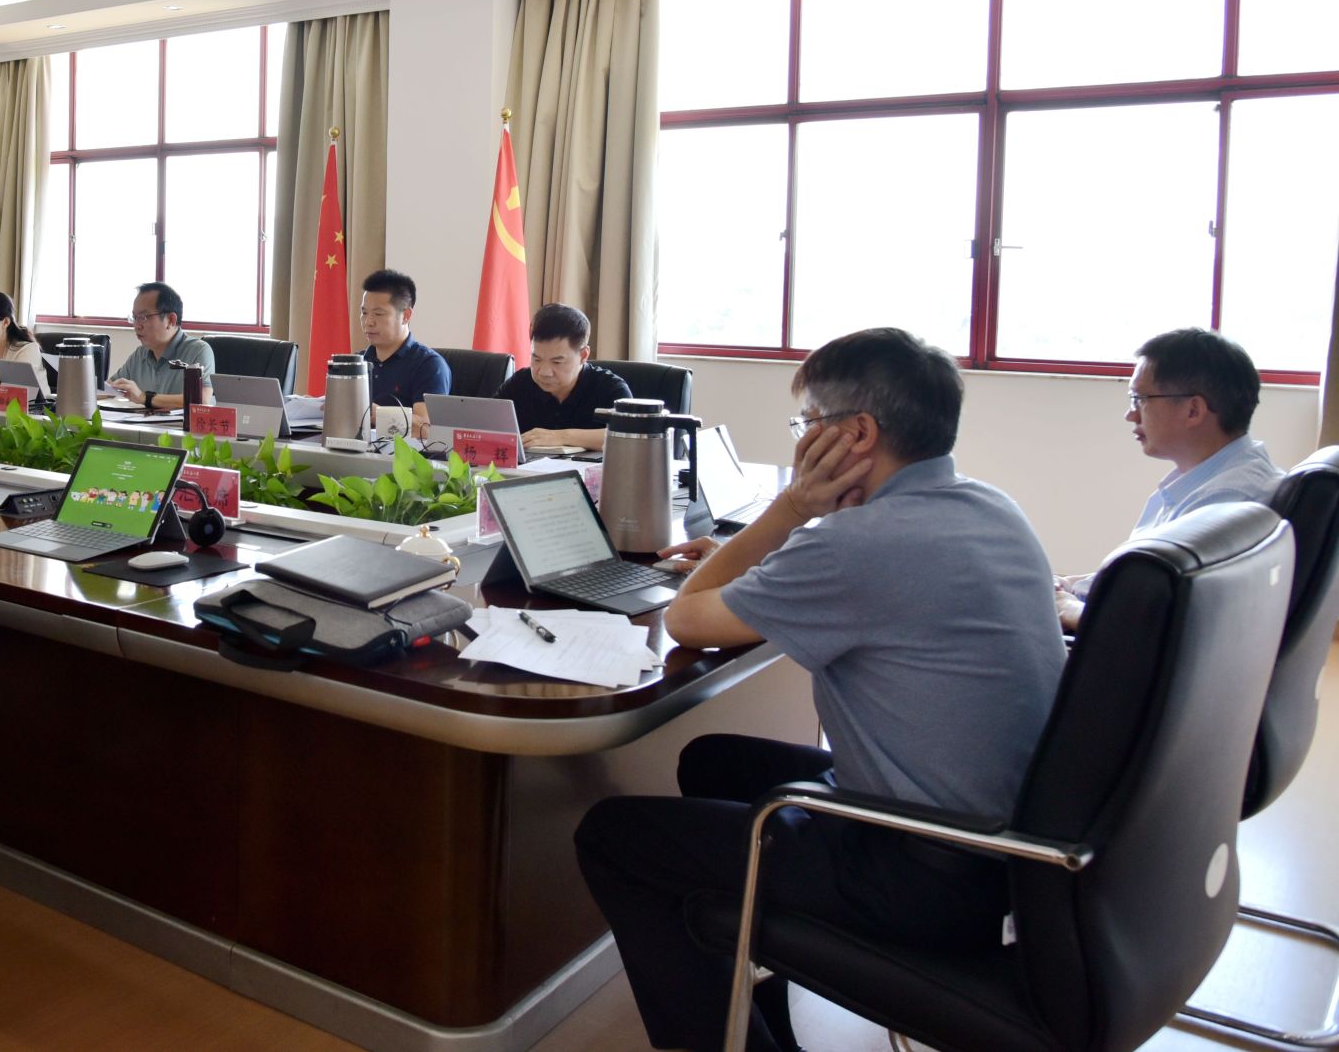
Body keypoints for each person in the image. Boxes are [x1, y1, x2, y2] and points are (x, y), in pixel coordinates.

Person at [575, 327, 1064, 1052]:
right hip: (1009, 852)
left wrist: (791, 509)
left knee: (613, 837)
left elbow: (686, 618)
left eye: (807, 424)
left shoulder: (858, 543)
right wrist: (760, 554)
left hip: (925, 872)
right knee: (714, 762)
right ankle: (762, 1014)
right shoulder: (993, 506)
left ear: (854, 434)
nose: (801, 439)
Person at [1056, 326, 1283, 629]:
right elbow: (1149, 585)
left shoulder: (1225, 504)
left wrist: (1067, 608)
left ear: (1193, 410)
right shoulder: (1217, 480)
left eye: (1140, 399)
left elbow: (1143, 623)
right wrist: (1073, 586)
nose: (1131, 415)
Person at [494, 303, 629, 452]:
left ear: (583, 355)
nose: (544, 372)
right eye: (537, 359)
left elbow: (628, 437)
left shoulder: (610, 388)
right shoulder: (519, 384)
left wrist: (561, 436)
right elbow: (484, 425)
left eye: (557, 362)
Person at [108, 282, 215, 410]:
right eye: (135, 317)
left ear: (171, 320)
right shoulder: (140, 354)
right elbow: (109, 388)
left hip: (181, 424)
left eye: (143, 317)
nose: (136, 325)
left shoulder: (198, 351)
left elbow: (201, 400)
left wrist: (144, 397)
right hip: (145, 423)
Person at [359, 269, 450, 410]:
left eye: (378, 314)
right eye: (364, 312)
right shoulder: (358, 362)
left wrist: (374, 412)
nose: (368, 322)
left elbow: (424, 421)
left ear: (406, 316)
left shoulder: (428, 365)